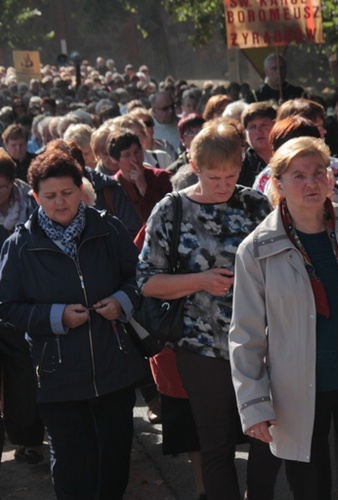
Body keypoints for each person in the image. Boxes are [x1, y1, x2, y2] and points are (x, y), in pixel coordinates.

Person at [230, 136, 338, 500]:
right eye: (298, 175)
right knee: (311, 490)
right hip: (298, 389)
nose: (311, 183)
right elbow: (245, 335)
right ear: (278, 185)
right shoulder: (256, 249)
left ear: (330, 179)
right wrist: (254, 405)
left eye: (318, 173)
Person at [0, 148, 147, 498]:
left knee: (113, 458)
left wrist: (121, 301)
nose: (59, 202)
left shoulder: (107, 228)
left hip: (114, 365)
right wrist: (56, 316)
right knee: (72, 461)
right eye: (49, 196)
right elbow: (7, 306)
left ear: (81, 190)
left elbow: (139, 277)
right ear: (35, 197)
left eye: (67, 193)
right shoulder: (20, 245)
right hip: (57, 374)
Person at [138, 120, 272, 500]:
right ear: (195, 168)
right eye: (214, 177)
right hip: (201, 348)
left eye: (231, 175)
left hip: (259, 341)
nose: (224, 185)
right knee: (215, 446)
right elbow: (146, 281)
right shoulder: (171, 210)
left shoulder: (254, 203)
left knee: (268, 437)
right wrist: (201, 281)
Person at [0, 149, 44, 466]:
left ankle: (29, 440)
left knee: (22, 377)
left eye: (1, 186)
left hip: (21, 302)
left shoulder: (29, 206)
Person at [108, 129, 172, 227]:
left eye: (137, 152)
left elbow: (169, 213)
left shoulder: (163, 178)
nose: (134, 159)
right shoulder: (111, 188)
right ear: (114, 160)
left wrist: (144, 188)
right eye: (127, 155)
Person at [238, 102, 276, 188]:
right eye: (252, 127)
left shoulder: (288, 159)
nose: (258, 131)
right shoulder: (239, 166)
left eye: (264, 125)